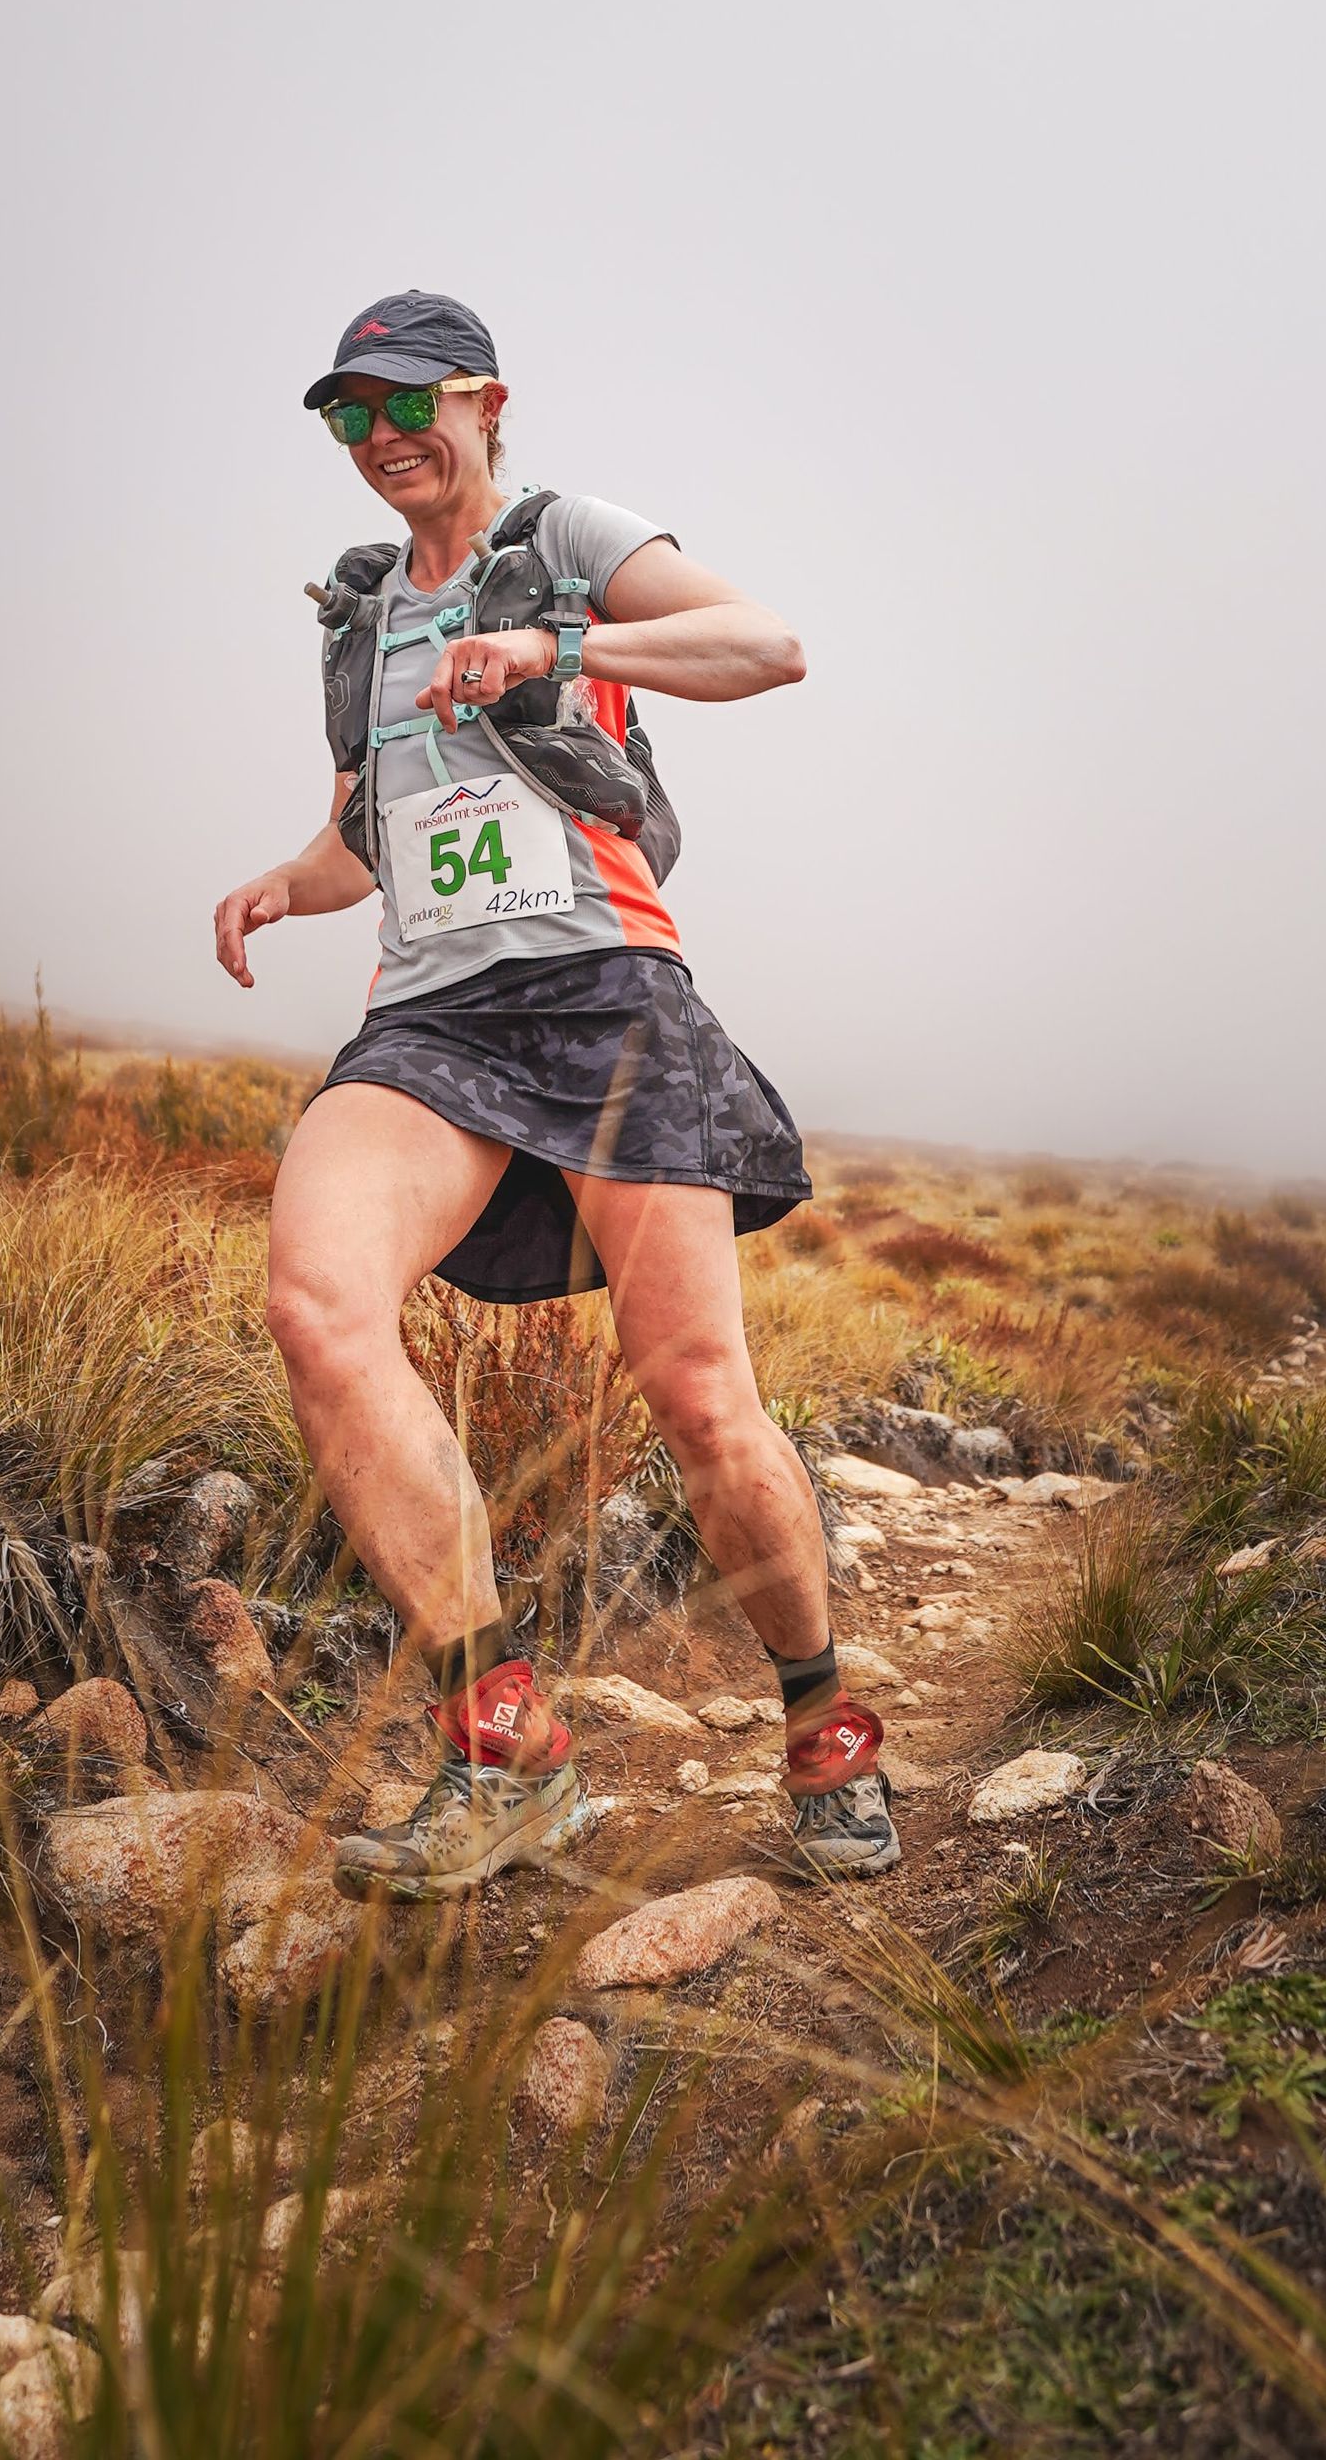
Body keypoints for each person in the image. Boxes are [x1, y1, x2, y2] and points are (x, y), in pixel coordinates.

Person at [213, 289, 898, 1895]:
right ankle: (502, 1743)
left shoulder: (562, 537)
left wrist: (555, 642)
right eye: (349, 418)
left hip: (605, 998)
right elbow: (365, 836)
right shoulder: (361, 618)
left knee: (700, 1401)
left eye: (406, 407)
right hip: (435, 1020)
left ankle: (821, 1724)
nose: (382, 441)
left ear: (482, 400)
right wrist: (282, 884)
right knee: (318, 1305)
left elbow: (766, 645)